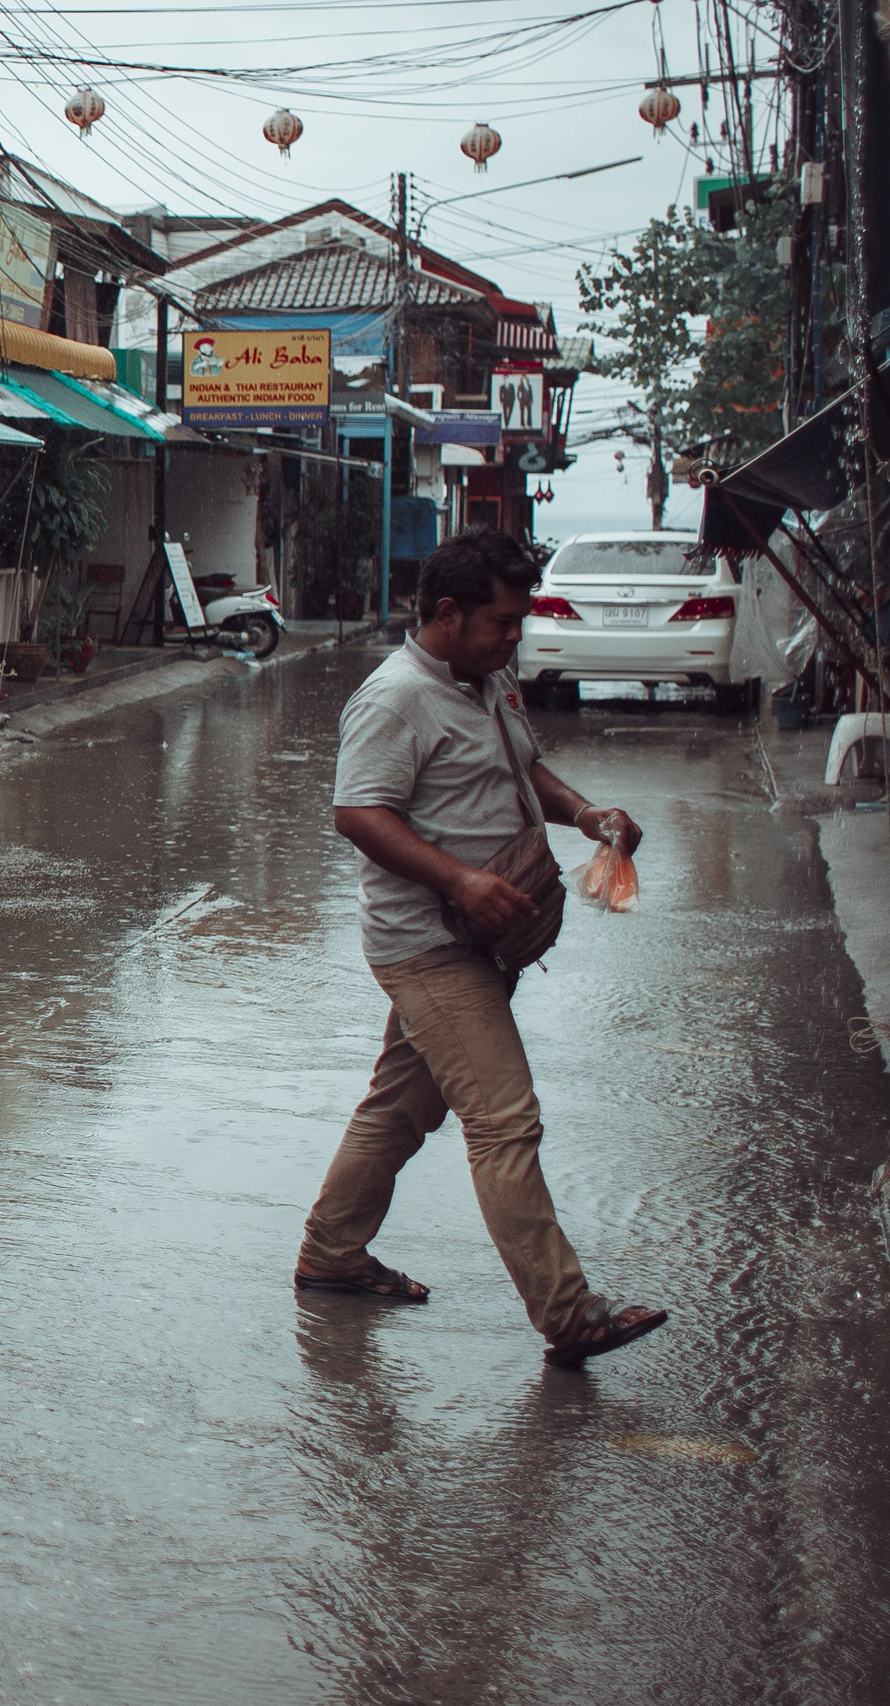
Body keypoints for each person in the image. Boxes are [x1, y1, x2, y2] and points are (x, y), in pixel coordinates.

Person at [296, 527, 668, 1369]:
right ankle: (569, 1314)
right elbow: (358, 814)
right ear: (449, 613)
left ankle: (331, 1255)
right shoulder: (395, 697)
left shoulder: (487, 680)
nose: (516, 638)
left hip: (478, 944)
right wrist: (460, 882)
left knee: (401, 1107)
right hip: (429, 946)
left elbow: (525, 765)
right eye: (502, 622)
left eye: (520, 622)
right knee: (504, 1123)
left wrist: (586, 815)